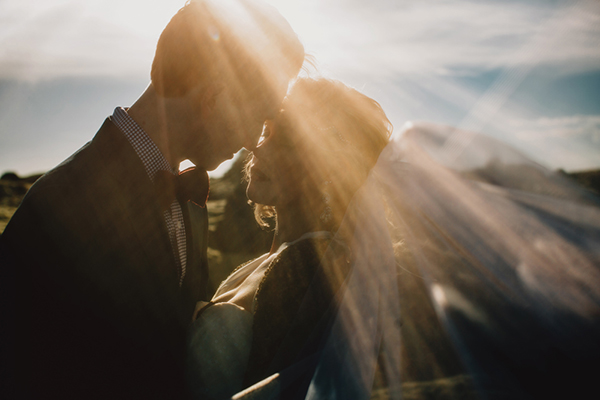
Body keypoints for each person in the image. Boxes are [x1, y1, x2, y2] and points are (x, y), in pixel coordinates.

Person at [0, 0, 304, 398]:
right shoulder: (57, 209)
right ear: (215, 97)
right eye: (257, 116)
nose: (251, 141)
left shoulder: (190, 204)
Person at [186, 77, 399, 399]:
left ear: (328, 168)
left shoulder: (305, 267)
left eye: (285, 140)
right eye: (265, 130)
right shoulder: (279, 259)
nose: (257, 146)